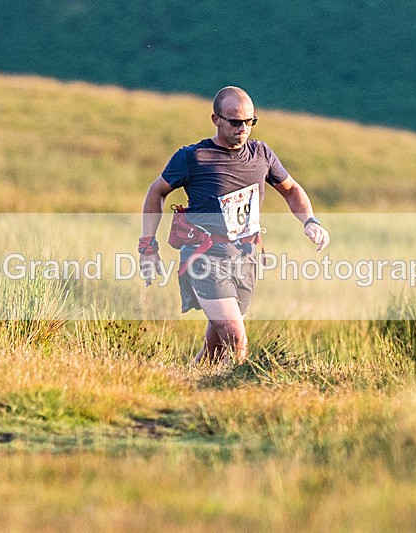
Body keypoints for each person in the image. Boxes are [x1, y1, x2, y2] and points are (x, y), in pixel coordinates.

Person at [139, 86, 329, 364]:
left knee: (215, 351)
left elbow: (291, 189)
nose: (243, 128)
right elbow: (156, 192)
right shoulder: (193, 158)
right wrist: (148, 245)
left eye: (249, 122)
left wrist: (309, 221)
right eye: (235, 122)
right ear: (216, 119)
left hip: (245, 258)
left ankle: (190, 388)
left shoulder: (262, 154)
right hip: (204, 258)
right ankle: (240, 391)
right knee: (236, 337)